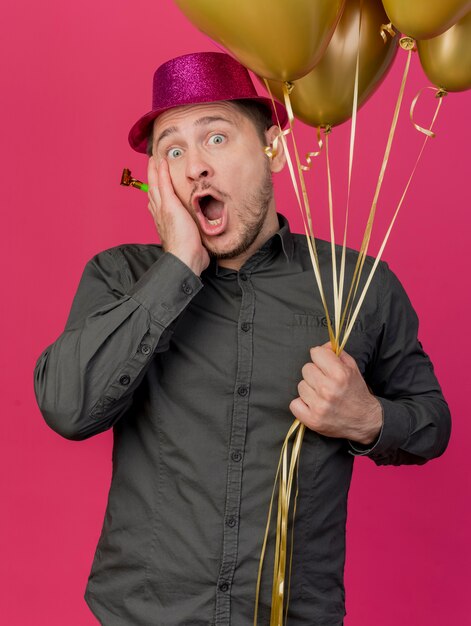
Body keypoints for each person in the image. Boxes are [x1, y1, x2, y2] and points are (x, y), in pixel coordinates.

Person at [34, 52, 451, 626]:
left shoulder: (360, 286)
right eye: (172, 150)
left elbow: (432, 423)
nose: (195, 167)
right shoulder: (119, 279)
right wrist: (179, 264)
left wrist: (368, 419)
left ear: (274, 148)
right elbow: (67, 408)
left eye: (217, 138)